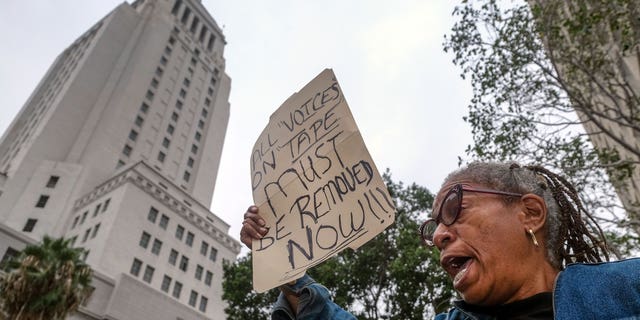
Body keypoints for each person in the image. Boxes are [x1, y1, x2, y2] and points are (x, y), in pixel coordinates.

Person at [240, 162, 640, 319]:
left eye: (454, 208)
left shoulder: (626, 289)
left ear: (529, 213)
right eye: (432, 227)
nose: (438, 235)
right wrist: (286, 267)